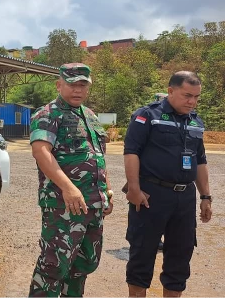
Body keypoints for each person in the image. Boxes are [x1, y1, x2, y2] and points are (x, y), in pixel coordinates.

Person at [27, 63, 114, 298]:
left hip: (92, 204)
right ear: (59, 85)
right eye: (72, 84)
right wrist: (68, 188)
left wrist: (106, 191)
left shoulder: (91, 116)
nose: (78, 90)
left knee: (84, 264)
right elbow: (41, 152)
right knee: (53, 266)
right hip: (63, 205)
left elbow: (96, 156)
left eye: (83, 85)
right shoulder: (48, 114)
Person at [123, 71, 212, 298]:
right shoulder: (147, 116)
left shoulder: (195, 121)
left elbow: (200, 160)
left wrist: (205, 197)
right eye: (187, 95)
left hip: (184, 198)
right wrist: (134, 188)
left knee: (180, 256)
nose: (192, 101)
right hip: (151, 194)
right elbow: (131, 151)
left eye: (196, 97)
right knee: (142, 254)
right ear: (171, 91)